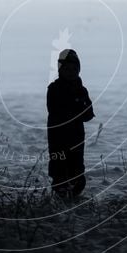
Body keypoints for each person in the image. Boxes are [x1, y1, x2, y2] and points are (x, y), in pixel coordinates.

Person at [47, 49, 95, 197]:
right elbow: (54, 110)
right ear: (60, 70)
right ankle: (60, 191)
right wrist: (74, 106)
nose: (71, 72)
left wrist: (80, 102)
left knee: (76, 167)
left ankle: (75, 191)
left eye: (74, 69)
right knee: (59, 167)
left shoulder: (82, 90)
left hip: (76, 137)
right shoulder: (54, 88)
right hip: (58, 137)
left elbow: (88, 115)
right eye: (67, 69)